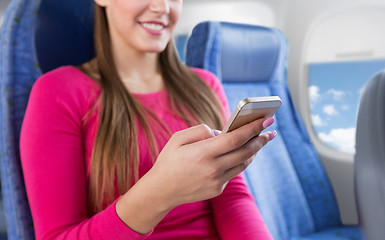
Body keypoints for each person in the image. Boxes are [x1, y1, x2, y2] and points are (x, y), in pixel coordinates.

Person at [20, 0, 277, 239]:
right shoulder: (57, 93)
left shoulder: (205, 86)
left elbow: (233, 200)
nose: (162, 7)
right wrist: (161, 191)